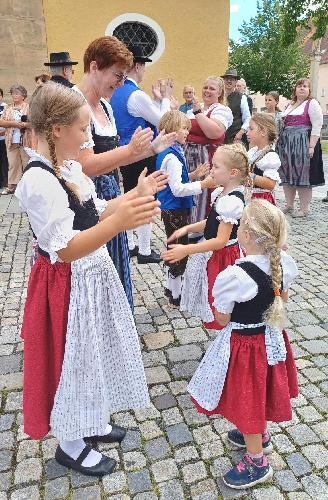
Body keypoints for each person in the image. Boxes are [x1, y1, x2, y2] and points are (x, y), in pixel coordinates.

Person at [16, 82, 168, 477]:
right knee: (74, 362)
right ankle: (70, 443)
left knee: (94, 353)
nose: (88, 138)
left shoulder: (66, 169)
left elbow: (94, 209)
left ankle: (90, 421)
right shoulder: (39, 180)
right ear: (57, 130)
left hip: (90, 279)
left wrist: (134, 196)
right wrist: (120, 221)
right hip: (67, 284)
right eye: (83, 130)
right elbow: (65, 247)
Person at [187, 199, 299, 490]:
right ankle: (259, 435)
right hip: (271, 340)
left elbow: (222, 319)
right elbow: (281, 300)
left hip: (246, 347)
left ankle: (257, 461)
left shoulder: (235, 276)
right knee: (259, 390)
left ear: (245, 236)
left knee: (248, 397)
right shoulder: (284, 263)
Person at [75, 37, 175, 310]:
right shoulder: (75, 104)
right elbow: (84, 165)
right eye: (117, 75)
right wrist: (131, 151)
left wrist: (152, 148)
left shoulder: (105, 106)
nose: (120, 83)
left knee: (115, 265)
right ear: (94, 67)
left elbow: (113, 157)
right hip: (83, 198)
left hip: (109, 191)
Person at [162, 143, 248, 330]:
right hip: (215, 256)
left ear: (233, 173)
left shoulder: (232, 201)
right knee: (214, 299)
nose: (211, 170)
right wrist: (187, 228)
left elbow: (220, 241)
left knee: (223, 302)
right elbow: (212, 222)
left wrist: (187, 249)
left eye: (216, 167)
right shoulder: (221, 193)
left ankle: (228, 341)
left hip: (224, 258)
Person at [111, 45, 173, 264]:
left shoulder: (116, 91)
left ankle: (130, 244)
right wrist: (165, 98)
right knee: (147, 197)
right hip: (143, 151)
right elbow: (162, 121)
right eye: (144, 66)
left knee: (129, 193)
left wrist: (156, 101)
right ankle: (145, 250)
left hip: (123, 151)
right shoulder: (135, 94)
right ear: (137, 66)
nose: (144, 70)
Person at [156, 110, 211, 306]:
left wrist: (194, 174)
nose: (187, 132)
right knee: (179, 249)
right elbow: (177, 189)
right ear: (171, 130)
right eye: (184, 128)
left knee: (173, 245)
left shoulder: (171, 152)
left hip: (172, 209)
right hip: (176, 209)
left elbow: (177, 178)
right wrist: (202, 185)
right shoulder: (172, 156)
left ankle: (171, 286)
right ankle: (176, 294)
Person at [184, 76, 233, 238]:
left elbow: (214, 132)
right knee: (188, 189)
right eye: (205, 87)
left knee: (204, 192)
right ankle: (188, 226)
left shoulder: (221, 110)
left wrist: (198, 113)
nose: (207, 91)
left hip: (207, 156)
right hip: (188, 155)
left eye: (212, 88)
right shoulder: (193, 110)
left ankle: (202, 230)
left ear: (220, 92)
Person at [276, 78, 324, 218]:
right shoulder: (289, 105)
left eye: (305, 86)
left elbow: (317, 125)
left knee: (302, 175)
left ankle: (304, 208)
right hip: (286, 144)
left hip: (302, 143)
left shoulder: (312, 103)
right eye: (299, 86)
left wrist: (311, 146)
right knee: (286, 174)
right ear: (295, 89)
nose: (302, 88)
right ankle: (289, 205)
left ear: (309, 90)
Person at [0, 84, 31, 194]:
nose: (14, 95)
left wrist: (23, 125)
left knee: (27, 164)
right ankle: (12, 187)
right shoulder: (8, 108)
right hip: (11, 141)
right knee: (13, 164)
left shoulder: (28, 107)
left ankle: (28, 187)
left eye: (17, 93)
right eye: (13, 93)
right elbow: (1, 121)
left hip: (26, 141)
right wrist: (14, 123)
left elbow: (34, 123)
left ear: (23, 95)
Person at [247, 113, 281, 205]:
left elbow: (270, 184)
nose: (247, 132)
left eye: (251, 129)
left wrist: (249, 175)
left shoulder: (270, 157)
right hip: (250, 198)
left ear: (263, 132)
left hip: (262, 201)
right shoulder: (252, 152)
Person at [221, 68, 251, 145]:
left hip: (235, 139)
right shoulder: (219, 96)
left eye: (232, 79)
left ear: (236, 82)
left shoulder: (241, 97)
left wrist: (240, 133)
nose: (229, 81)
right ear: (224, 80)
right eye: (227, 78)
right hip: (220, 138)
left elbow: (247, 118)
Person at [0, 89, 8, 188]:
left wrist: (5, 131)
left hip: (3, 137)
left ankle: (4, 181)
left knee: (4, 160)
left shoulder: (6, 107)